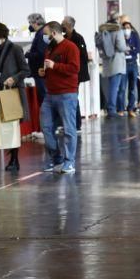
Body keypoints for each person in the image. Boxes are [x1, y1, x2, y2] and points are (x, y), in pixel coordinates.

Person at [0, 22, 29, 171]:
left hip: (12, 93)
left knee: (12, 126)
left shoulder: (15, 49)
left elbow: (25, 70)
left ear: (0, 36)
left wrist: (14, 78)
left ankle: (14, 160)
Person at [38, 22, 80, 174]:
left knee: (69, 129)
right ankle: (56, 159)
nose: (44, 37)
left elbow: (74, 69)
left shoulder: (70, 47)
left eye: (46, 33)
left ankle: (69, 162)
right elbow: (51, 68)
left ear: (54, 33)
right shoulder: (50, 48)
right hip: (50, 94)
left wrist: (55, 66)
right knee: (46, 127)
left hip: (67, 94)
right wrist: (44, 72)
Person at [61, 16, 90, 130]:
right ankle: (69, 124)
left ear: (68, 25)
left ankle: (76, 124)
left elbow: (83, 56)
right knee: (68, 99)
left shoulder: (78, 38)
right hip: (66, 74)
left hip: (75, 74)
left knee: (73, 99)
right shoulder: (63, 38)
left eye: (63, 23)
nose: (61, 25)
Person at [95, 18, 127, 117]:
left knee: (111, 87)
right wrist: (127, 48)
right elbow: (121, 46)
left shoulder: (103, 31)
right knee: (115, 88)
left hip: (107, 63)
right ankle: (111, 110)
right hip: (117, 63)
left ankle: (113, 108)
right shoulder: (118, 30)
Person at [121, 20, 140, 117]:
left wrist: (130, 50)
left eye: (128, 28)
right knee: (122, 88)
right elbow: (121, 49)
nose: (126, 30)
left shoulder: (134, 36)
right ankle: (121, 109)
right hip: (123, 64)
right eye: (124, 28)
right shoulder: (120, 37)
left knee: (132, 88)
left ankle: (131, 108)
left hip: (133, 64)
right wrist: (130, 49)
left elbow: (138, 49)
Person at [26, 13, 48, 103]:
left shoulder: (42, 34)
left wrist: (28, 54)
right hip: (38, 71)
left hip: (40, 71)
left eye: (30, 23)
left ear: (35, 23)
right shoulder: (40, 33)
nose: (30, 25)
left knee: (43, 97)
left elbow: (41, 54)